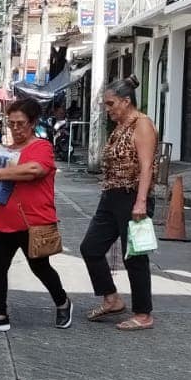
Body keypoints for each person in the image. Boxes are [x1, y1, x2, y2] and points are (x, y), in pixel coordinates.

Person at [0, 98, 71, 333]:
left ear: (33, 123)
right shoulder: (5, 152)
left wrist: (0, 173)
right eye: (11, 124)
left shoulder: (41, 147)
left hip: (32, 221)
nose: (16, 129)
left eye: (20, 124)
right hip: (4, 219)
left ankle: (63, 302)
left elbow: (35, 170)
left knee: (40, 267)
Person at [80, 77, 157, 331]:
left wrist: (141, 202)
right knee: (91, 247)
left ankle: (144, 314)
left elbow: (147, 167)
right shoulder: (121, 125)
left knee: (134, 256)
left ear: (126, 101)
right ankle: (111, 298)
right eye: (106, 104)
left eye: (111, 103)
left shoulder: (142, 124)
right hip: (111, 196)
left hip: (132, 196)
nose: (108, 108)